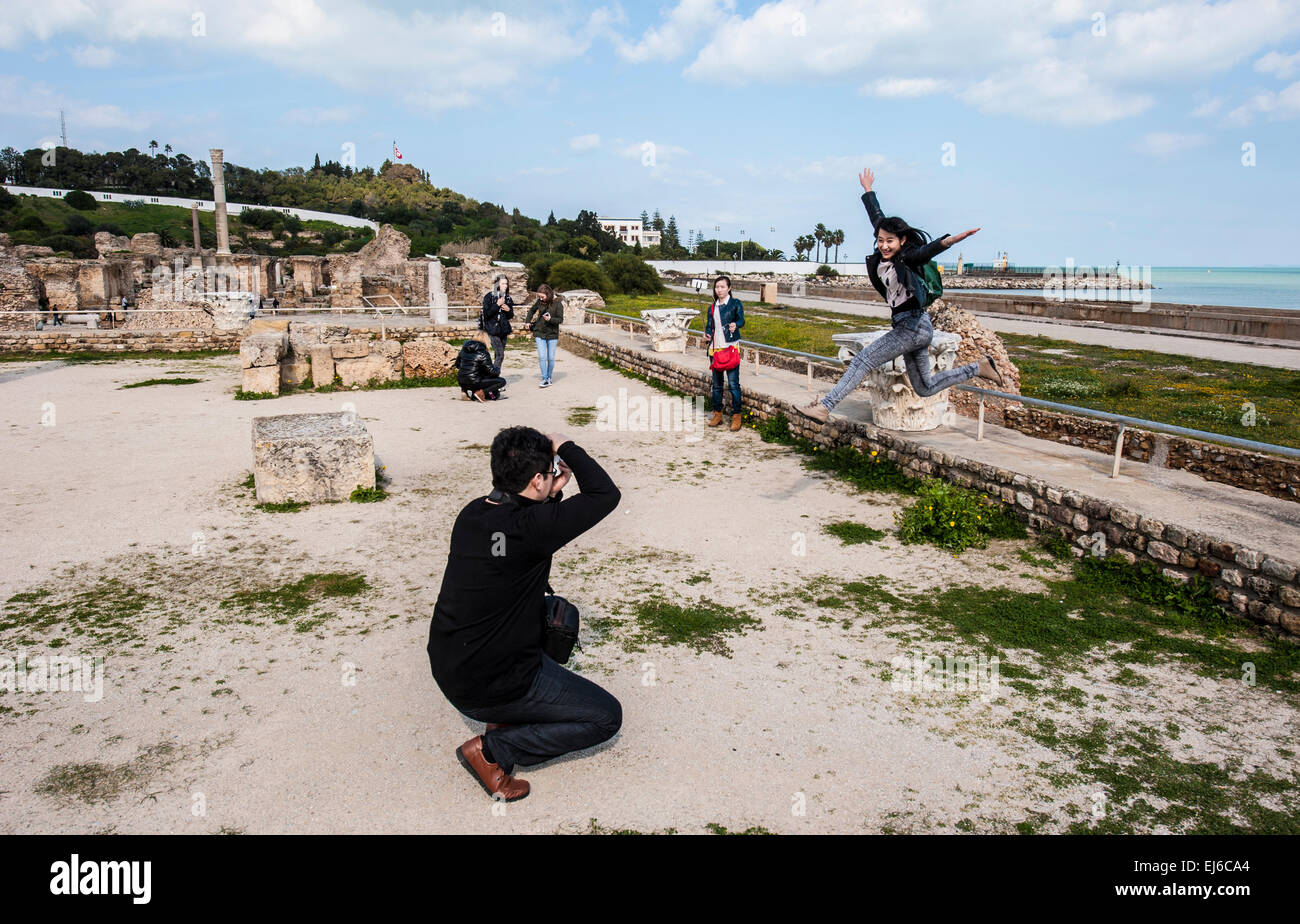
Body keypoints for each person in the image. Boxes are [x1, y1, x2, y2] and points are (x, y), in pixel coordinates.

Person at [427, 426, 622, 802]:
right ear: (535, 480)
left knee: (549, 615)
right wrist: (565, 445)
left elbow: (517, 534)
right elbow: (605, 494)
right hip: (488, 682)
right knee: (605, 717)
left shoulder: (474, 513)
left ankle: (506, 714)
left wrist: (551, 490)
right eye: (549, 474)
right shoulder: (532, 528)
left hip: (453, 662)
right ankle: (494, 751)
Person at [795, 169, 1003, 424]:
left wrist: (950, 241)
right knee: (924, 387)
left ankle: (824, 408)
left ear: (902, 241)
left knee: (863, 360)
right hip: (913, 326)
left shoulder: (907, 258)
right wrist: (868, 190)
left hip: (912, 327)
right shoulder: (884, 252)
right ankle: (979, 367)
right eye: (880, 240)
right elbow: (877, 217)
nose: (884, 245)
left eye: (890, 241)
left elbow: (926, 251)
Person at [703, 275, 745, 431]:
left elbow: (742, 320)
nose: (719, 289)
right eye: (717, 287)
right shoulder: (712, 307)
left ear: (729, 288)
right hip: (715, 350)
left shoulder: (735, 304)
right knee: (717, 386)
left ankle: (736, 416)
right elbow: (709, 326)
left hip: (730, 348)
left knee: (734, 384)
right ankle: (718, 414)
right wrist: (707, 334)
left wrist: (736, 325)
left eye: (722, 287)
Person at [524, 283, 564, 387]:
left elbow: (560, 319)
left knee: (550, 358)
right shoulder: (539, 302)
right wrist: (527, 321)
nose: (540, 299)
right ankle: (544, 378)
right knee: (542, 357)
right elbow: (532, 310)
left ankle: (549, 377)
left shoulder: (558, 303)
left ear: (548, 294)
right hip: (539, 331)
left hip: (552, 334)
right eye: (539, 297)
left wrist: (550, 319)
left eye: (542, 297)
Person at [456, 330, 506, 401]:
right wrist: (497, 369)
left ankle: (464, 391)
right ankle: (480, 392)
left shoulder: (463, 350)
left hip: (461, 381)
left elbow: (457, 365)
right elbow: (491, 372)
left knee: (475, 378)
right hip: (474, 382)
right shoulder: (483, 353)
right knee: (502, 381)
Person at [480, 274, 515, 373]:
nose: (505, 286)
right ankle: (494, 377)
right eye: (503, 283)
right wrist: (497, 305)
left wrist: (508, 310)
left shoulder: (508, 298)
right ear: (497, 285)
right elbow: (486, 315)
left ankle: (495, 378)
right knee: (500, 354)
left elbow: (510, 316)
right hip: (492, 330)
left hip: (503, 330)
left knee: (498, 355)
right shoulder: (489, 297)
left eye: (506, 284)